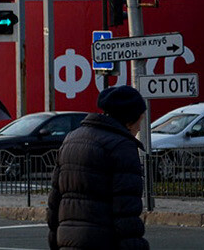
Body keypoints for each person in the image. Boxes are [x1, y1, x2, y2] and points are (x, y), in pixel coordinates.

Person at [47, 85, 149, 250]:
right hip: (103, 241)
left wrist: (54, 240)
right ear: (130, 120)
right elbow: (126, 211)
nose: (139, 127)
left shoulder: (71, 139)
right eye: (140, 119)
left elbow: (54, 201)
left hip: (67, 240)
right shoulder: (122, 146)